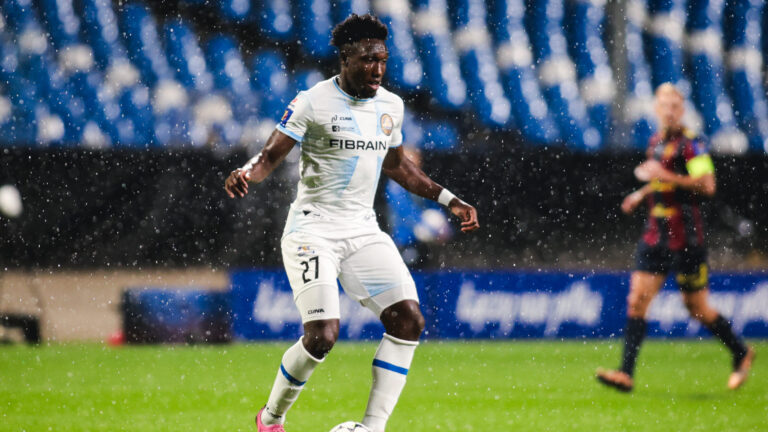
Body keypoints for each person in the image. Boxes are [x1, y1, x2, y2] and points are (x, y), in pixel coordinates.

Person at [224, 14, 479, 432]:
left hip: (363, 231)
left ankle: (372, 428)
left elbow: (398, 166)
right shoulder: (312, 101)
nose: (377, 69)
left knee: (409, 320)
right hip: (312, 231)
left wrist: (449, 199)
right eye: (367, 60)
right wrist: (247, 172)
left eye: (383, 60)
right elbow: (271, 154)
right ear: (345, 59)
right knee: (322, 336)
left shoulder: (391, 106)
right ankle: (270, 419)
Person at [596, 83, 755, 392]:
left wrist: (665, 176)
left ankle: (740, 351)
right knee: (637, 301)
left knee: (697, 308)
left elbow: (707, 185)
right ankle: (625, 373)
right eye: (664, 106)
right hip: (656, 235)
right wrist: (641, 193)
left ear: (682, 110)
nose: (669, 111)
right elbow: (660, 178)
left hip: (686, 239)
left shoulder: (692, 145)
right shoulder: (655, 142)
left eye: (675, 106)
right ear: (656, 109)